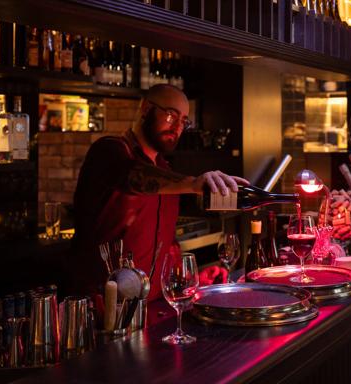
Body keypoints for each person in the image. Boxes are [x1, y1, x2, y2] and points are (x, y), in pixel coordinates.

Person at [71, 84, 248, 300]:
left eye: (184, 121)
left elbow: (166, 247)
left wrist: (193, 280)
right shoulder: (109, 151)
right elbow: (134, 176)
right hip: (102, 309)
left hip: (151, 307)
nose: (177, 127)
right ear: (146, 109)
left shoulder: (165, 170)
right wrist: (193, 184)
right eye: (171, 115)